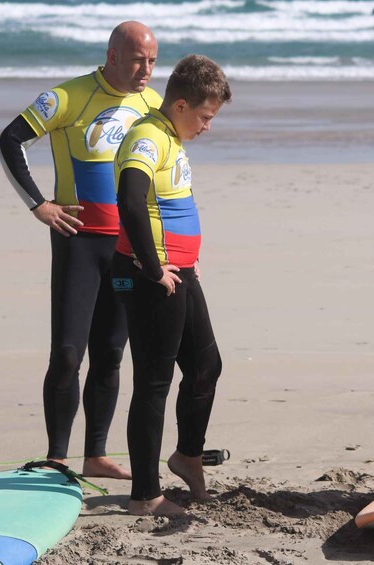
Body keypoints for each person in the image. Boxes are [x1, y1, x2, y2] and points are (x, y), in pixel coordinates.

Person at [0, 21, 161, 479]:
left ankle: (97, 455)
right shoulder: (68, 97)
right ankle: (56, 457)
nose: (146, 70)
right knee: (68, 352)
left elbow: (162, 177)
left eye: (152, 61)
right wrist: (39, 204)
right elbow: (8, 140)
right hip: (79, 244)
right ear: (111, 55)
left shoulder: (153, 105)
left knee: (110, 351)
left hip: (126, 249)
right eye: (137, 60)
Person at [111, 54, 231, 516]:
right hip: (152, 278)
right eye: (204, 116)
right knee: (154, 382)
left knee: (206, 366)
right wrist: (151, 266)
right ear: (180, 105)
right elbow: (130, 200)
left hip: (180, 273)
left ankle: (187, 456)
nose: (207, 126)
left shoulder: (170, 136)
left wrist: (184, 262)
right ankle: (145, 495)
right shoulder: (147, 136)